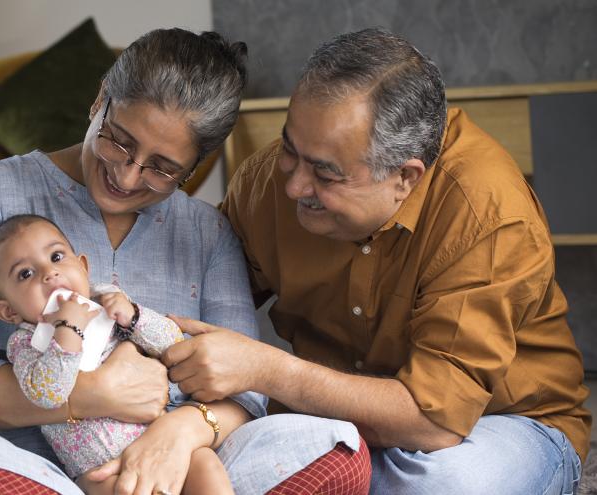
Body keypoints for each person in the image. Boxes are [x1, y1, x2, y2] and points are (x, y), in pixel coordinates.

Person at [0, 28, 371, 495]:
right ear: (99, 101)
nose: (128, 177)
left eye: (162, 168)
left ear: (194, 166)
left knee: (335, 447)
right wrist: (90, 396)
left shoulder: (206, 232)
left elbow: (246, 393)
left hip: (182, 469)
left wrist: (177, 435)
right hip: (31, 469)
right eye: (119, 140)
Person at [163, 27, 590, 495]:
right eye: (289, 148)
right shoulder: (269, 182)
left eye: (325, 174)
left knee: (438, 487)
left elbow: (434, 420)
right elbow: (193, 297)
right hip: (335, 421)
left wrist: (268, 370)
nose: (294, 187)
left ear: (404, 178)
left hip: (499, 423)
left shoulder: (486, 213)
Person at [0, 213, 233, 494]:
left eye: (57, 257)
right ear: (8, 311)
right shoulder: (24, 344)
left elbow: (172, 344)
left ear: (83, 267)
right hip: (96, 470)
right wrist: (68, 328)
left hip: (158, 444)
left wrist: (134, 317)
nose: (49, 274)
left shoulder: (108, 303)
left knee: (204, 462)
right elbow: (47, 395)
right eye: (25, 274)